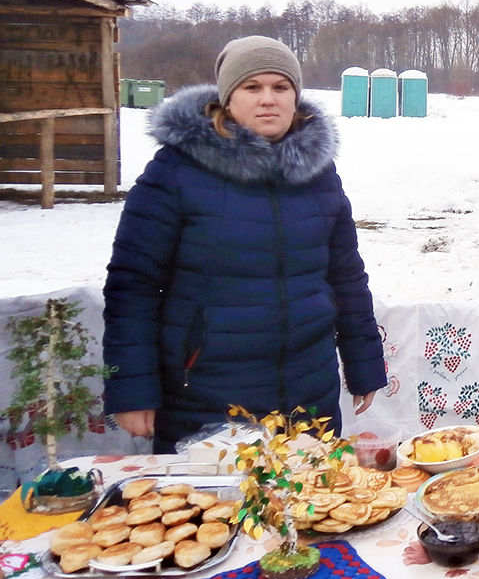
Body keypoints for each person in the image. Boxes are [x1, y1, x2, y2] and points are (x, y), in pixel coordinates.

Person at [102, 36, 387, 453]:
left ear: (295, 97)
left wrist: (364, 364)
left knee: (311, 493)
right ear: (227, 97)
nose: (268, 99)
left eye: (280, 87)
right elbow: (133, 285)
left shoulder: (319, 175)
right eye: (252, 87)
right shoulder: (176, 171)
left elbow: (346, 277)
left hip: (309, 393)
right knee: (214, 497)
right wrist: (132, 388)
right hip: (207, 395)